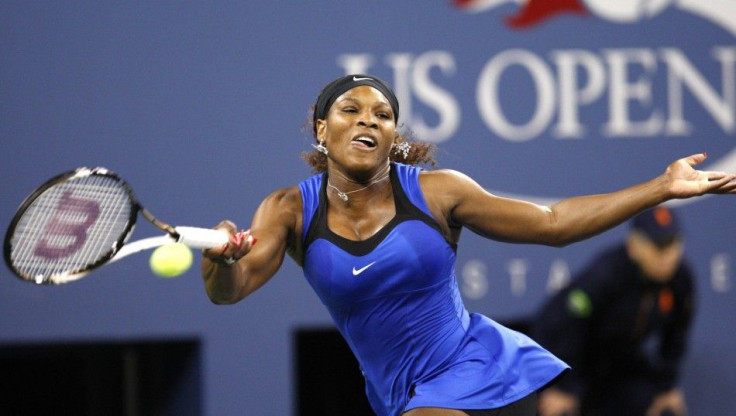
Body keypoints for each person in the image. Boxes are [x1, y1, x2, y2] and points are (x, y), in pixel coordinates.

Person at [200, 74, 736, 416]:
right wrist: (220, 263)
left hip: (472, 370)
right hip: (395, 396)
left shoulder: (438, 193)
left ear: (393, 137)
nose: (368, 119)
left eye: (382, 115)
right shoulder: (289, 210)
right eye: (350, 110)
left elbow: (552, 223)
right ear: (321, 130)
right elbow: (233, 288)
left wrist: (661, 187)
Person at [530, 205, 695, 416]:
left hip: (619, 366)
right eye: (657, 247)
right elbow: (565, 327)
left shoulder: (681, 279)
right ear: (634, 246)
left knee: (661, 406)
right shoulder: (607, 274)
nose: (666, 256)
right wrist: (562, 387)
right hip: (573, 362)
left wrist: (666, 386)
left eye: (672, 245)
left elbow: (676, 337)